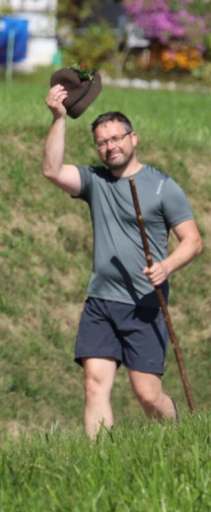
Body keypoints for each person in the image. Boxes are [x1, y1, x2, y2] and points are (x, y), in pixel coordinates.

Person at [43, 85, 202, 439]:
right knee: (94, 385)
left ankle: (181, 435)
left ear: (134, 139)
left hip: (146, 303)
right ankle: (98, 460)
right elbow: (52, 170)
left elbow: (192, 241)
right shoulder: (95, 181)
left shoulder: (163, 187)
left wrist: (166, 267)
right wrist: (58, 119)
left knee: (147, 396)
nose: (110, 146)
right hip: (101, 300)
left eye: (117, 138)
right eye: (102, 142)